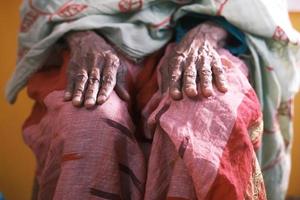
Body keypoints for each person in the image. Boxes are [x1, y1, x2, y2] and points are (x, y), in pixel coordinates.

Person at [6, 0, 300, 199]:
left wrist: (208, 34)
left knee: (207, 114)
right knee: (86, 120)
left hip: (218, 31)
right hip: (94, 31)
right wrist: (81, 37)